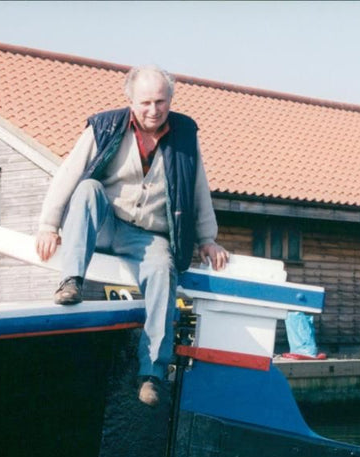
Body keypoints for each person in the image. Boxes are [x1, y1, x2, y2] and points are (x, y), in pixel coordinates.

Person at [35, 65, 229, 406]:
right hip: (107, 222)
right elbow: (68, 173)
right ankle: (71, 281)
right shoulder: (104, 126)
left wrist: (207, 238)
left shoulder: (185, 134)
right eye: (145, 103)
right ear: (130, 100)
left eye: (160, 102)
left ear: (171, 99)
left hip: (148, 234)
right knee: (88, 188)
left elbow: (197, 188)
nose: (153, 110)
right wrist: (49, 225)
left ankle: (151, 372)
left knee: (162, 271)